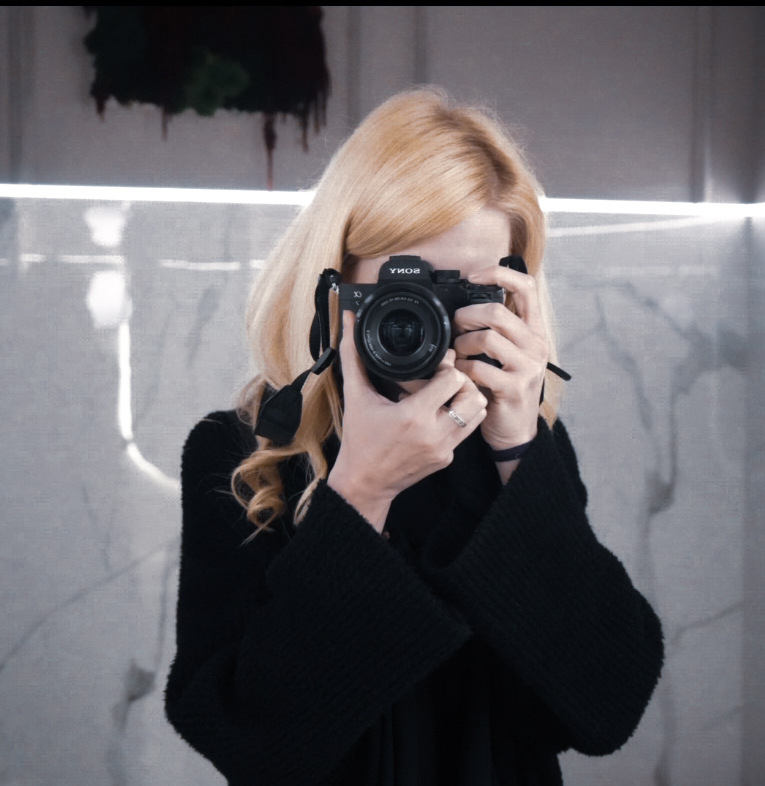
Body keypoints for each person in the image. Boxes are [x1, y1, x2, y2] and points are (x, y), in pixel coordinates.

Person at [165, 88, 663, 786]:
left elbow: (605, 710)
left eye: (464, 293)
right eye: (407, 289)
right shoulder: (245, 457)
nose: (424, 319)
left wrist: (518, 455)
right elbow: (253, 746)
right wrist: (359, 496)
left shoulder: (521, 451)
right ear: (335, 285)